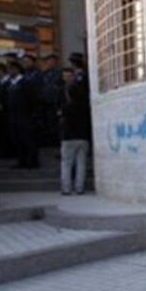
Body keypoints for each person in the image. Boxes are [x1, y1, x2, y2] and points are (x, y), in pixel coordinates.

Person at [58, 67, 91, 195]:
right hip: (83, 136)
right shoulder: (84, 103)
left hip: (68, 136)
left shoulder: (65, 105)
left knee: (67, 163)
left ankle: (66, 188)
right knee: (81, 163)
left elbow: (61, 116)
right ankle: (79, 188)